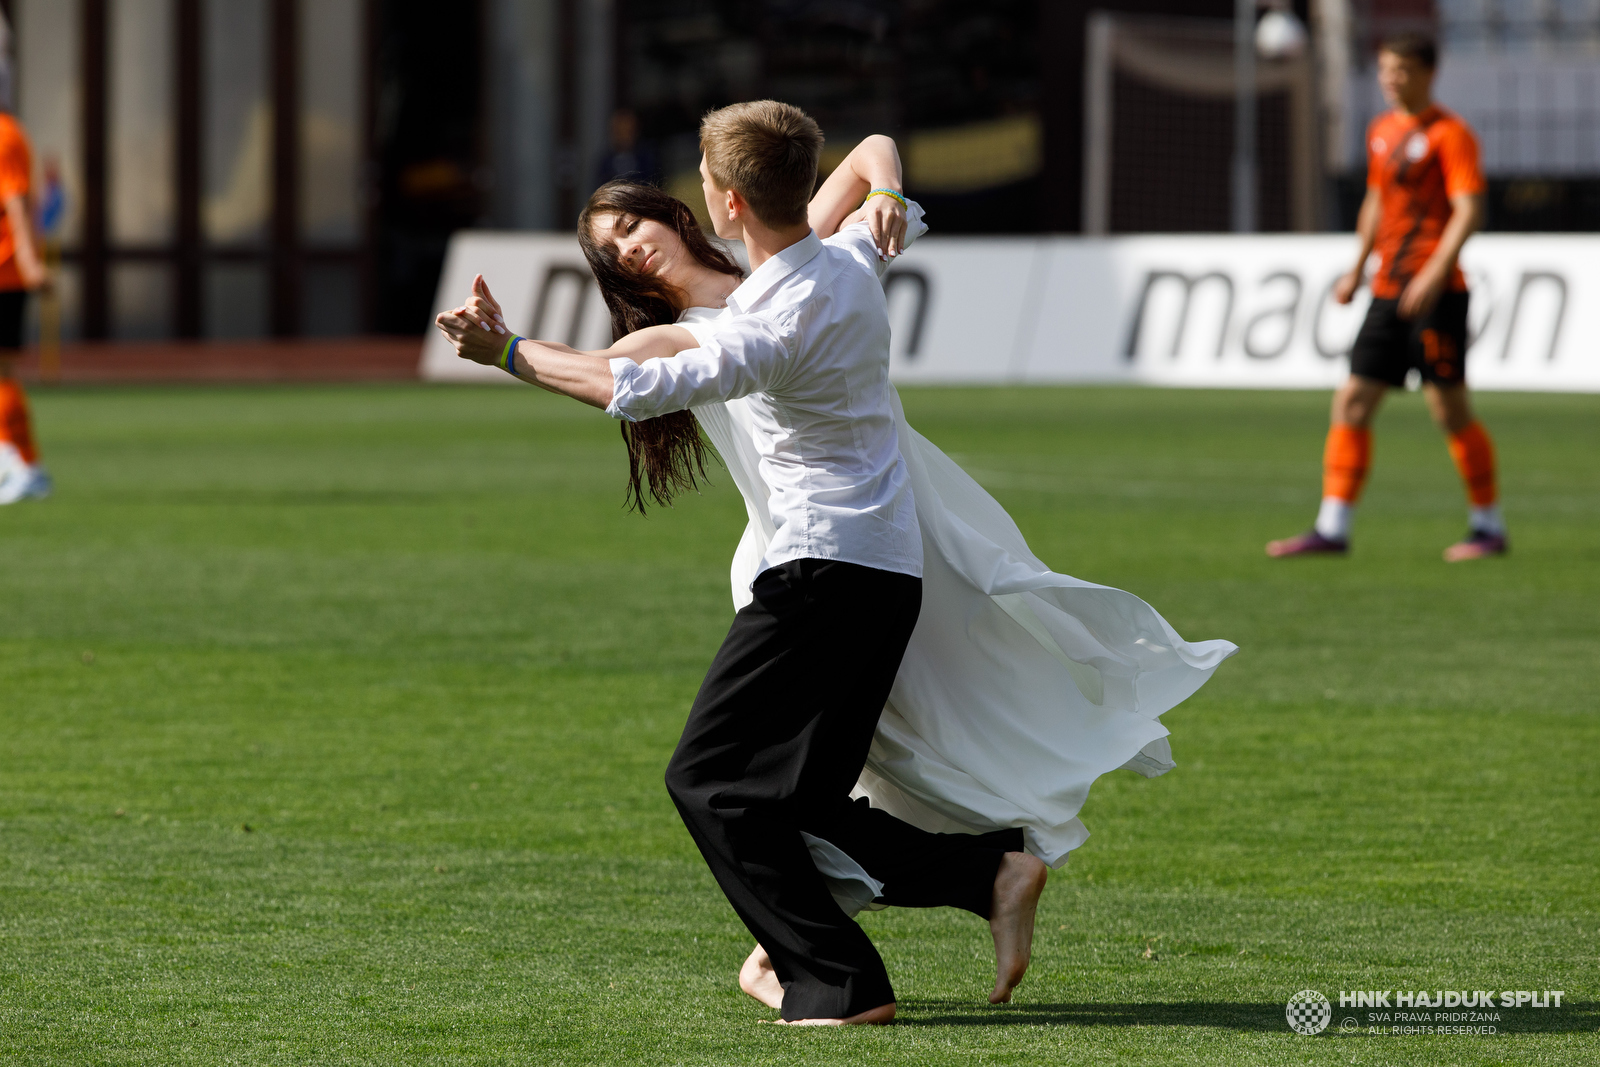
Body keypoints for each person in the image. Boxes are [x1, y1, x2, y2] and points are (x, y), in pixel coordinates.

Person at [437, 102, 1236, 1024]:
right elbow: (862, 159)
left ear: (711, 204)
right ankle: (986, 875)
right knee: (803, 795)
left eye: (629, 224)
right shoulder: (833, 260)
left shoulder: (760, 318)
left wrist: (502, 350)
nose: (624, 250)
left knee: (710, 781)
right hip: (873, 568)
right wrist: (887, 187)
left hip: (824, 569)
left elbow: (628, 387)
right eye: (606, 248)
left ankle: (836, 977)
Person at [1269, 34, 1498, 562]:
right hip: (1387, 291)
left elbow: (1469, 211)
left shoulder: (1450, 134)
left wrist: (1436, 271)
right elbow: (1376, 200)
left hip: (1437, 294)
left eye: (1400, 70)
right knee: (1351, 400)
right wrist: (1356, 269)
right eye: (1384, 70)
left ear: (1427, 73)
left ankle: (1488, 525)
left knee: (1449, 410)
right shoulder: (1381, 132)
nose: (1390, 80)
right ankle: (1333, 527)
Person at [0, 56, 51, 506]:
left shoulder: (5, 136)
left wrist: (31, 263)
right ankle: (25, 462)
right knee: (5, 374)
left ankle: (14, 462)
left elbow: (17, 204)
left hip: (3, 271)